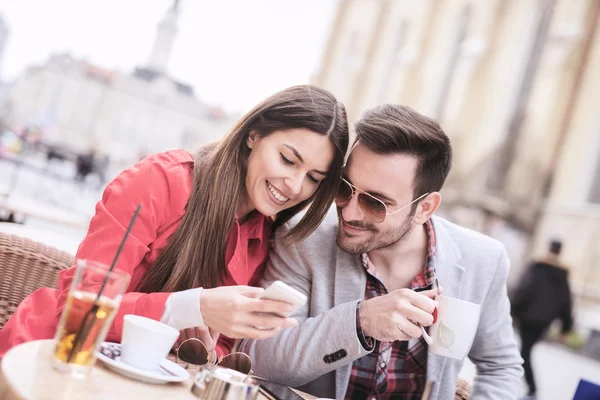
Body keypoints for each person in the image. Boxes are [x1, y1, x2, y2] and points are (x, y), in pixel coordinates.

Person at [0, 85, 349, 359]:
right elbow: (79, 309)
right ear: (254, 135)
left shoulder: (262, 235)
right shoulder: (159, 182)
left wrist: (207, 348)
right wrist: (191, 307)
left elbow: (223, 343)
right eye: (288, 159)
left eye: (314, 178)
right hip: (45, 358)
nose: (295, 185)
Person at [239, 104, 524, 399]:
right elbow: (257, 356)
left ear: (424, 209)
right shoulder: (302, 236)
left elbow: (501, 367)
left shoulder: (483, 259)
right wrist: (360, 321)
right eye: (344, 188)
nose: (348, 213)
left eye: (375, 203)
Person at [510, 239, 573, 398]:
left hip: (528, 319)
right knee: (525, 350)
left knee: (525, 351)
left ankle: (531, 387)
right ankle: (524, 384)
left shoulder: (538, 268)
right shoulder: (562, 274)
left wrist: (512, 309)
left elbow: (524, 290)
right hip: (543, 322)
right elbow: (566, 302)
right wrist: (566, 326)